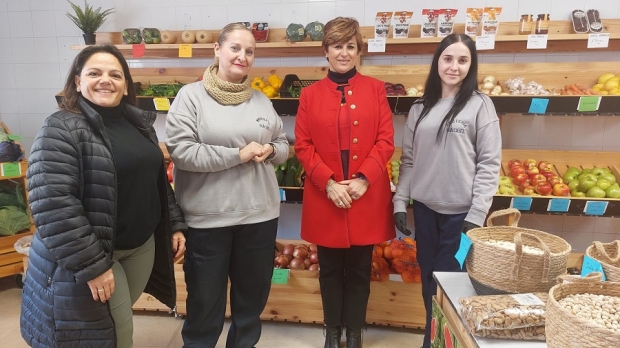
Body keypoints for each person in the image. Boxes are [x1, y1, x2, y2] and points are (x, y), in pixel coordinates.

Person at [20, 44, 188, 348]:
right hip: (95, 253)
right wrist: (93, 266)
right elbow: (54, 206)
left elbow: (155, 181)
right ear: (77, 82)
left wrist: (174, 223)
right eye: (94, 73)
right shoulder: (60, 128)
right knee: (117, 333)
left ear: (125, 85)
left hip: (140, 248)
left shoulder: (138, 124)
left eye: (115, 74)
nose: (105, 80)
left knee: (106, 326)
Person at [165, 22, 289, 348]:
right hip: (208, 220)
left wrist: (273, 150)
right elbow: (183, 152)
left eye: (249, 51)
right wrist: (238, 154)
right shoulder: (190, 97)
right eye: (235, 48)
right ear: (217, 50)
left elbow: (283, 142)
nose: (242, 56)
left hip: (259, 218)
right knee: (205, 305)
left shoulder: (261, 100)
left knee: (250, 306)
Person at [393, 33, 501, 348]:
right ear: (437, 61)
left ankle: (444, 342)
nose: (454, 66)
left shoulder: (481, 105)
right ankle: (434, 338)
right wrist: (401, 202)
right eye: (448, 58)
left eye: (463, 60)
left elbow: (489, 163)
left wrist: (478, 213)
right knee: (428, 280)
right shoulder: (420, 108)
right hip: (426, 211)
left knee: (451, 282)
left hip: (461, 216)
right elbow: (409, 161)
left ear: (472, 64)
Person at [294, 17, 395, 348]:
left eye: (350, 46)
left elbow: (385, 140)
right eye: (337, 46)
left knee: (360, 271)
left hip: (364, 195)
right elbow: (303, 145)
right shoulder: (309, 95)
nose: (344, 53)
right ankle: (332, 332)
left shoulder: (376, 89)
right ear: (326, 51)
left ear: (358, 51)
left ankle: (354, 334)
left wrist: (365, 178)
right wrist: (328, 183)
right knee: (330, 271)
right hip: (327, 196)